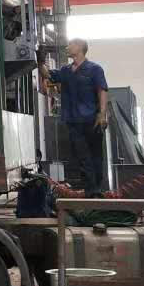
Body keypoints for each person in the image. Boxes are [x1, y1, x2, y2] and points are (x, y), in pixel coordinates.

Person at [39, 38, 110, 197]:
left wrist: (102, 114)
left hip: (92, 120)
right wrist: (40, 60)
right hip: (73, 121)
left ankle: (97, 189)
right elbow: (48, 74)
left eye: (70, 45)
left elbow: (102, 91)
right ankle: (91, 191)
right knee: (82, 157)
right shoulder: (66, 71)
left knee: (95, 156)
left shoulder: (95, 69)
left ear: (79, 48)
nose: (67, 47)